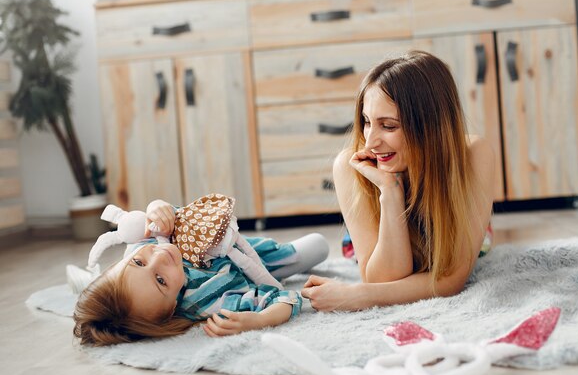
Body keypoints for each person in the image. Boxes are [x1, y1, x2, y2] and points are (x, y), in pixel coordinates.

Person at [301, 50, 496, 311]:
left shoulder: (473, 155)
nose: (370, 142)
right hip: (375, 238)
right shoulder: (351, 166)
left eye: (389, 126)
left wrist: (358, 295)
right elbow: (381, 280)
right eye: (367, 122)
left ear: (431, 126)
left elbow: (452, 279)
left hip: (457, 230)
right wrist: (390, 192)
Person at [73, 197, 329, 346]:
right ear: (172, 308)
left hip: (227, 242)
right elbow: (286, 298)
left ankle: (91, 280)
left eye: (139, 263)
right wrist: (261, 319)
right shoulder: (209, 300)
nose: (159, 256)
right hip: (251, 266)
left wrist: (157, 208)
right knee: (318, 245)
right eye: (161, 281)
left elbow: (169, 214)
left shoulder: (138, 249)